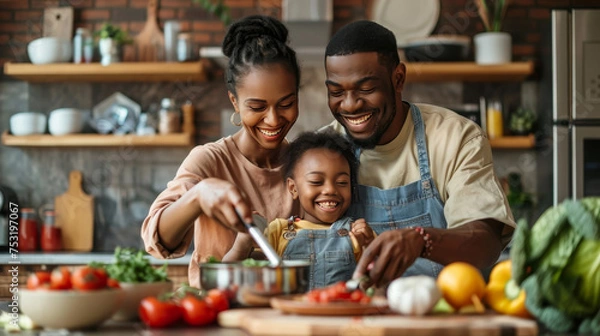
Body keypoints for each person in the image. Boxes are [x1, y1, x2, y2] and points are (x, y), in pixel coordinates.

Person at [321, 20, 516, 288]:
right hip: (348, 317)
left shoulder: (455, 137)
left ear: (398, 78)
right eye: (336, 92)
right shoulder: (321, 150)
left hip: (438, 318)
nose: (350, 105)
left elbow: (486, 242)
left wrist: (421, 240)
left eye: (366, 89)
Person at [141, 15, 302, 288]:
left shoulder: (304, 164)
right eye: (257, 107)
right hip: (214, 313)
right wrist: (197, 196)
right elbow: (156, 240)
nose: (274, 120)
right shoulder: (210, 160)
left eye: (286, 103)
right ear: (235, 103)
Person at [224, 131, 375, 289]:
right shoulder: (278, 231)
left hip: (340, 312)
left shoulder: (358, 233)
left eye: (342, 182)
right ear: (293, 188)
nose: (330, 189)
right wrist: (242, 244)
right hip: (288, 312)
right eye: (316, 181)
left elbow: (375, 285)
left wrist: (368, 247)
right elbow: (232, 277)